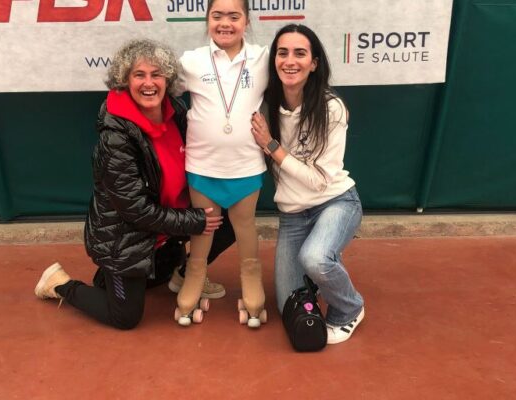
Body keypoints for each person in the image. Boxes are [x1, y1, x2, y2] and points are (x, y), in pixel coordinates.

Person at [34, 39, 235, 330]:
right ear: (125, 81)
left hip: (166, 229)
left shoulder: (176, 112)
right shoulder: (115, 137)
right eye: (139, 75)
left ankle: (181, 274)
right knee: (125, 317)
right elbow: (136, 210)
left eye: (156, 74)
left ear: (167, 80)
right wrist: (194, 220)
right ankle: (60, 284)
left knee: (231, 217)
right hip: (126, 236)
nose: (148, 83)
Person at [251, 24, 365, 344]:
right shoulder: (266, 106)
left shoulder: (331, 108)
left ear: (313, 63)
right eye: (282, 53)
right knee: (286, 304)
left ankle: (350, 307)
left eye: (300, 53)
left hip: (336, 202)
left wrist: (272, 146)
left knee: (314, 259)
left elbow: (318, 181)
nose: (290, 61)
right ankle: (323, 262)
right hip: (292, 214)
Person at [171, 0, 269, 327]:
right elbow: (157, 90)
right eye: (217, 16)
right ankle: (194, 276)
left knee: (245, 225)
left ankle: (251, 278)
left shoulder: (263, 59)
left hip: (246, 166)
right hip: (202, 166)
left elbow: (293, 83)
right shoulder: (191, 61)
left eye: (234, 16)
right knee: (205, 227)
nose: (225, 23)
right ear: (207, 19)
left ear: (247, 21)